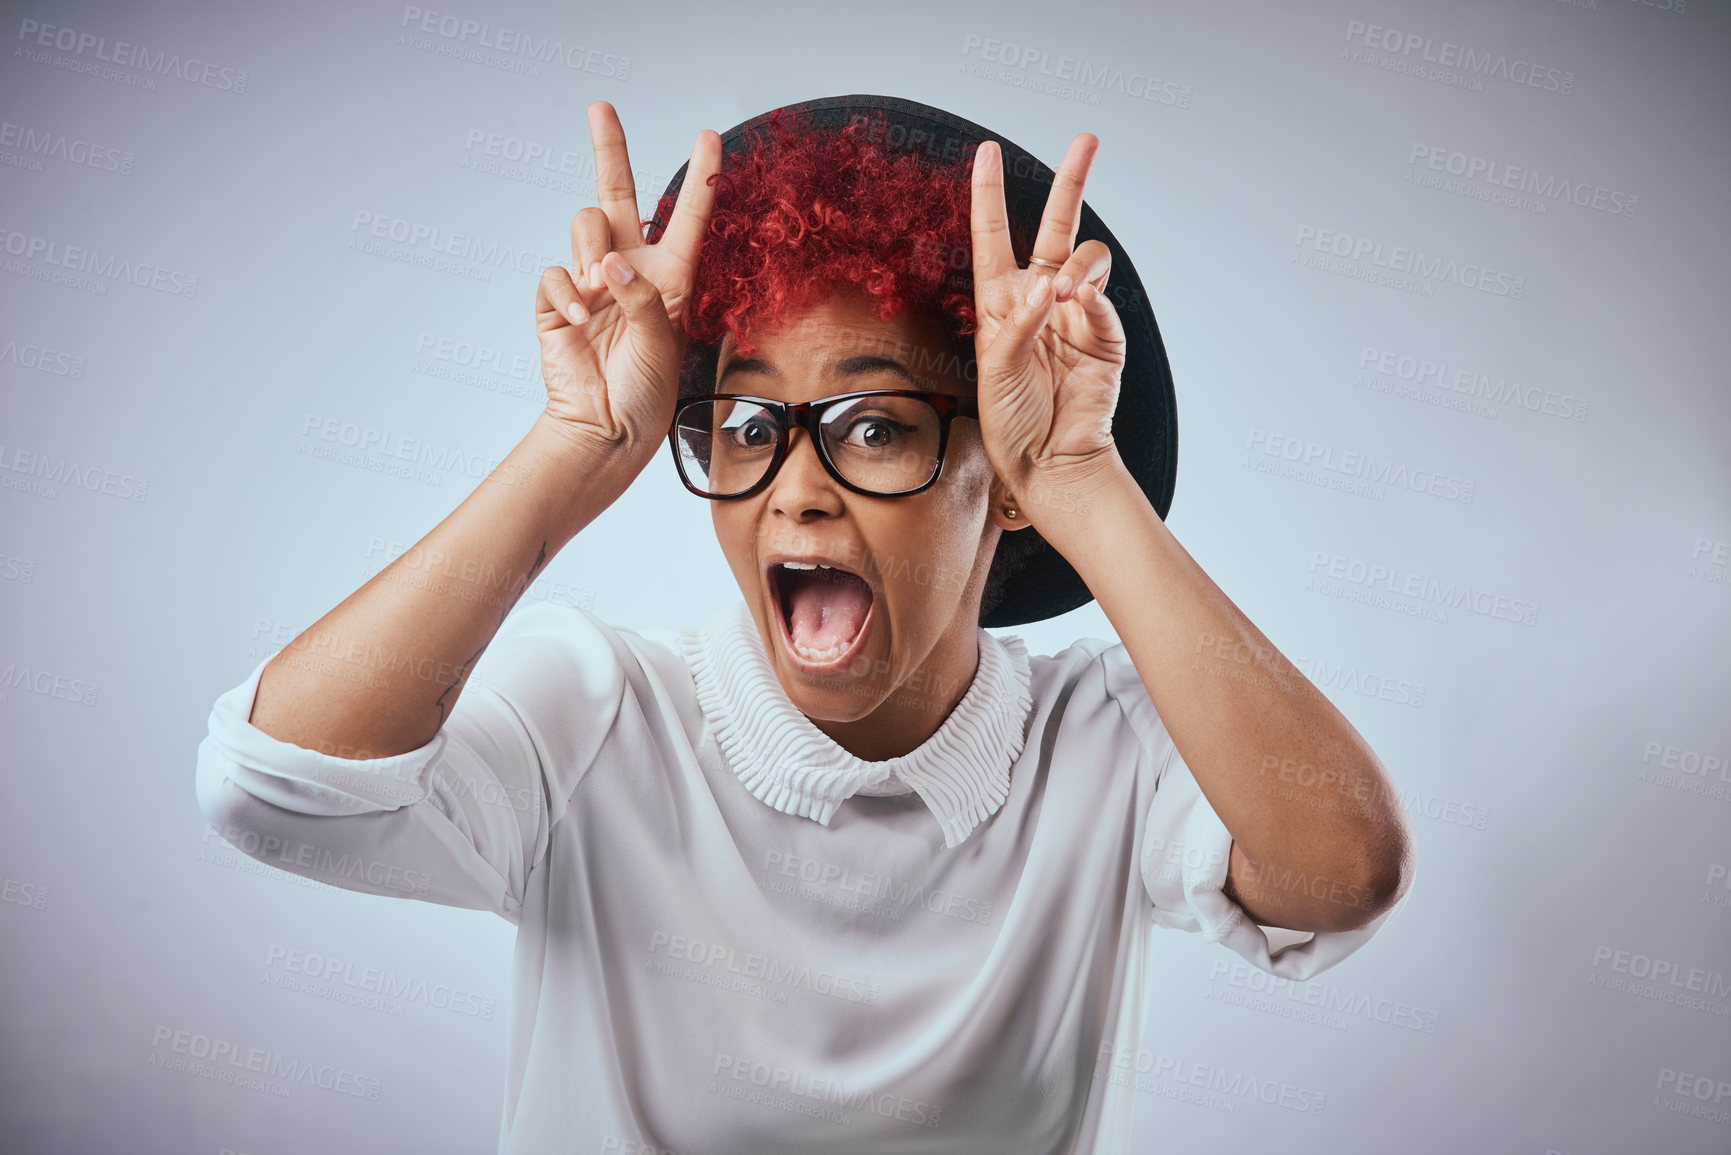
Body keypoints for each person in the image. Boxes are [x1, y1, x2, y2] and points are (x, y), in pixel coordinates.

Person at [196, 95, 1415, 1154]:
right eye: (746, 425)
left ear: (1001, 484)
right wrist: (578, 448)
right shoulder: (593, 715)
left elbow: (1341, 873)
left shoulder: (1106, 747)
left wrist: (1084, 479)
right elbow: (267, 789)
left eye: (876, 427)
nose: (798, 485)